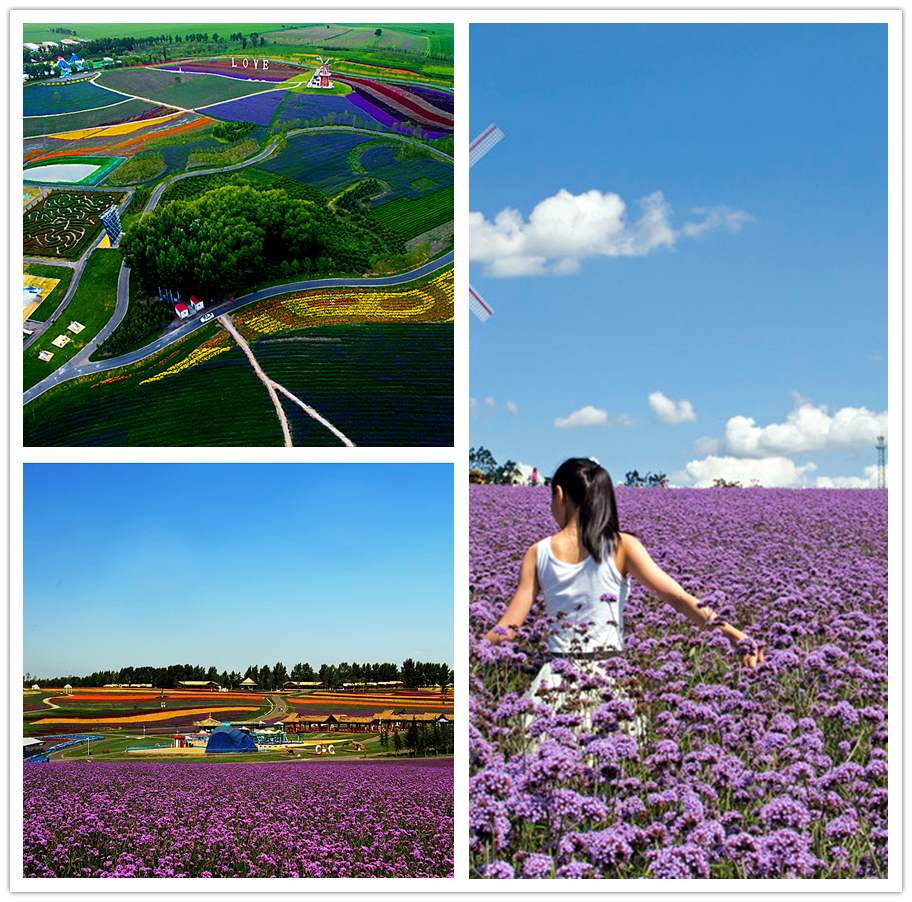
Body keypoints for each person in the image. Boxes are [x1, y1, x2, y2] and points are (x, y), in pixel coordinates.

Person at [484, 457, 764, 670]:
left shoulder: (537, 552)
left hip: (557, 674)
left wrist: (472, 650)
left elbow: (508, 629)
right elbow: (678, 598)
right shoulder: (622, 546)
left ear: (559, 494)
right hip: (607, 675)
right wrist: (733, 634)